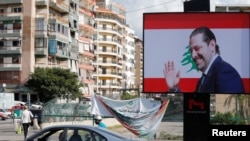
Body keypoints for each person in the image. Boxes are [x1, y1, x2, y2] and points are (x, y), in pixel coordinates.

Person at [163, 26, 245, 93]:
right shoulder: (204, 78)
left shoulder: (225, 73)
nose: (193, 55)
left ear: (212, 45)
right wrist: (174, 88)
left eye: (197, 48)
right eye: (191, 51)